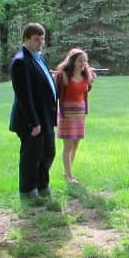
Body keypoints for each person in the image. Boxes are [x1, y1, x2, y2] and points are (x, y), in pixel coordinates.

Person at [9, 23, 58, 204]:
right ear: (26, 39)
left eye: (43, 38)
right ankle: (28, 191)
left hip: (45, 118)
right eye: (37, 39)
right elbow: (24, 96)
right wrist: (34, 123)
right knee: (31, 157)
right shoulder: (21, 61)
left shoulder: (37, 58)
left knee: (48, 152)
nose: (41, 42)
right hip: (32, 121)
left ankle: (42, 186)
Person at [55, 48, 96, 184]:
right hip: (67, 114)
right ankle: (70, 176)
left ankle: (68, 173)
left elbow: (86, 90)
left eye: (85, 61)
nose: (83, 63)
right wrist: (58, 77)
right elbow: (57, 87)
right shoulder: (64, 76)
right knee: (67, 146)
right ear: (72, 61)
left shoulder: (86, 76)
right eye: (80, 61)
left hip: (80, 114)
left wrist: (92, 79)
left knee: (75, 145)